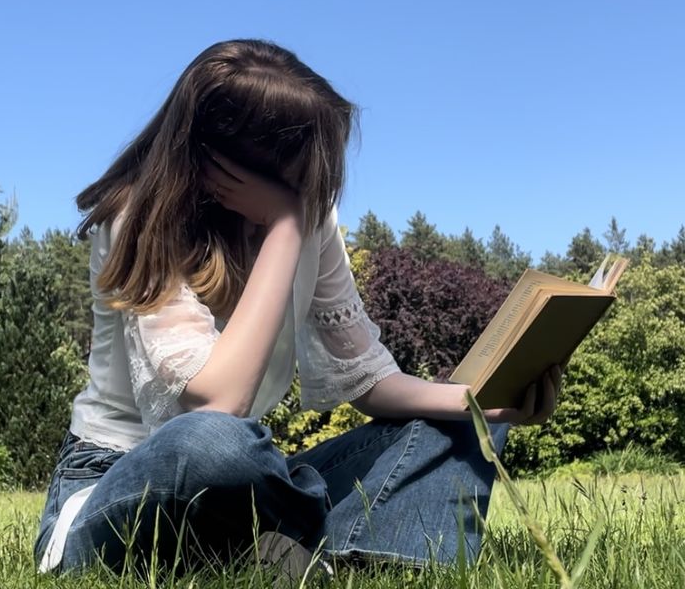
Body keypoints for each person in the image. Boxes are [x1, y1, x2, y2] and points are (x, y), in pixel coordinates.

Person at [34, 39, 561, 576]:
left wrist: (478, 401)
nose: (319, 180)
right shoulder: (138, 219)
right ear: (228, 160)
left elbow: (369, 380)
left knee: (455, 423)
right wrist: (284, 228)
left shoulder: (314, 215)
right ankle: (293, 536)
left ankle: (360, 559)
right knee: (215, 443)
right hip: (116, 478)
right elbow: (219, 403)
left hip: (253, 484)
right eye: (303, 161)